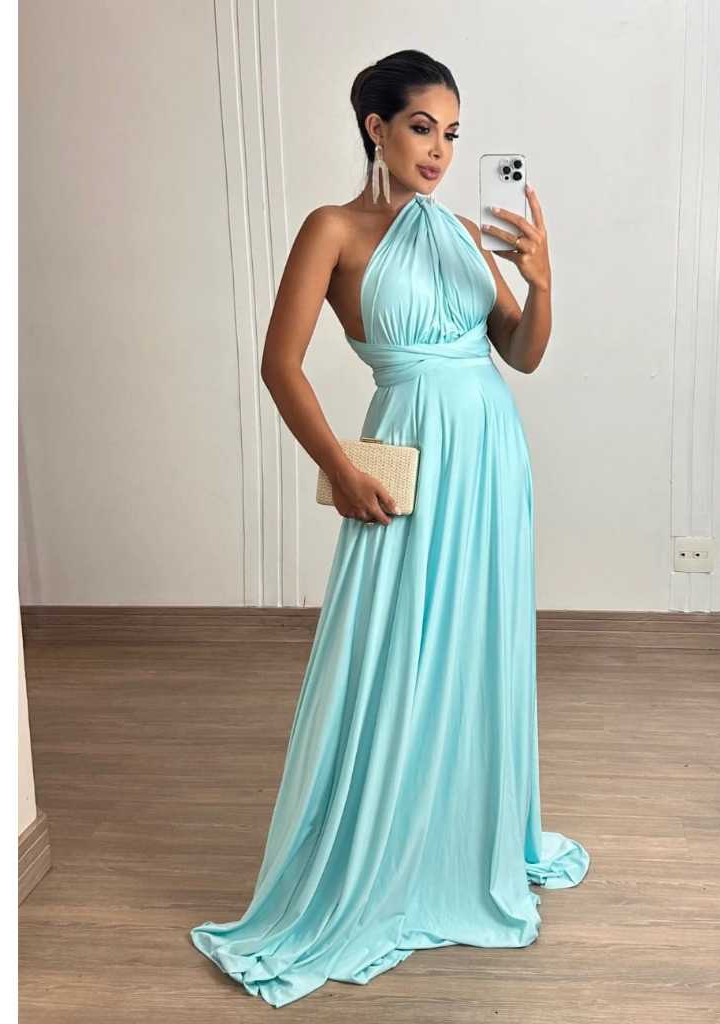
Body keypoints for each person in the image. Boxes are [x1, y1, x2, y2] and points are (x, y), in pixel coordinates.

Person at [190, 48, 590, 1008]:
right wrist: (338, 465)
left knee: (477, 646)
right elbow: (279, 363)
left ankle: (462, 837)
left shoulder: (459, 231)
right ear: (376, 126)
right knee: (392, 651)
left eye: (451, 133)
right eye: (421, 127)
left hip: (491, 458)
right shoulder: (332, 229)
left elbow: (521, 354)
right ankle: (377, 849)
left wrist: (540, 280)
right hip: (406, 451)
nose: (440, 151)